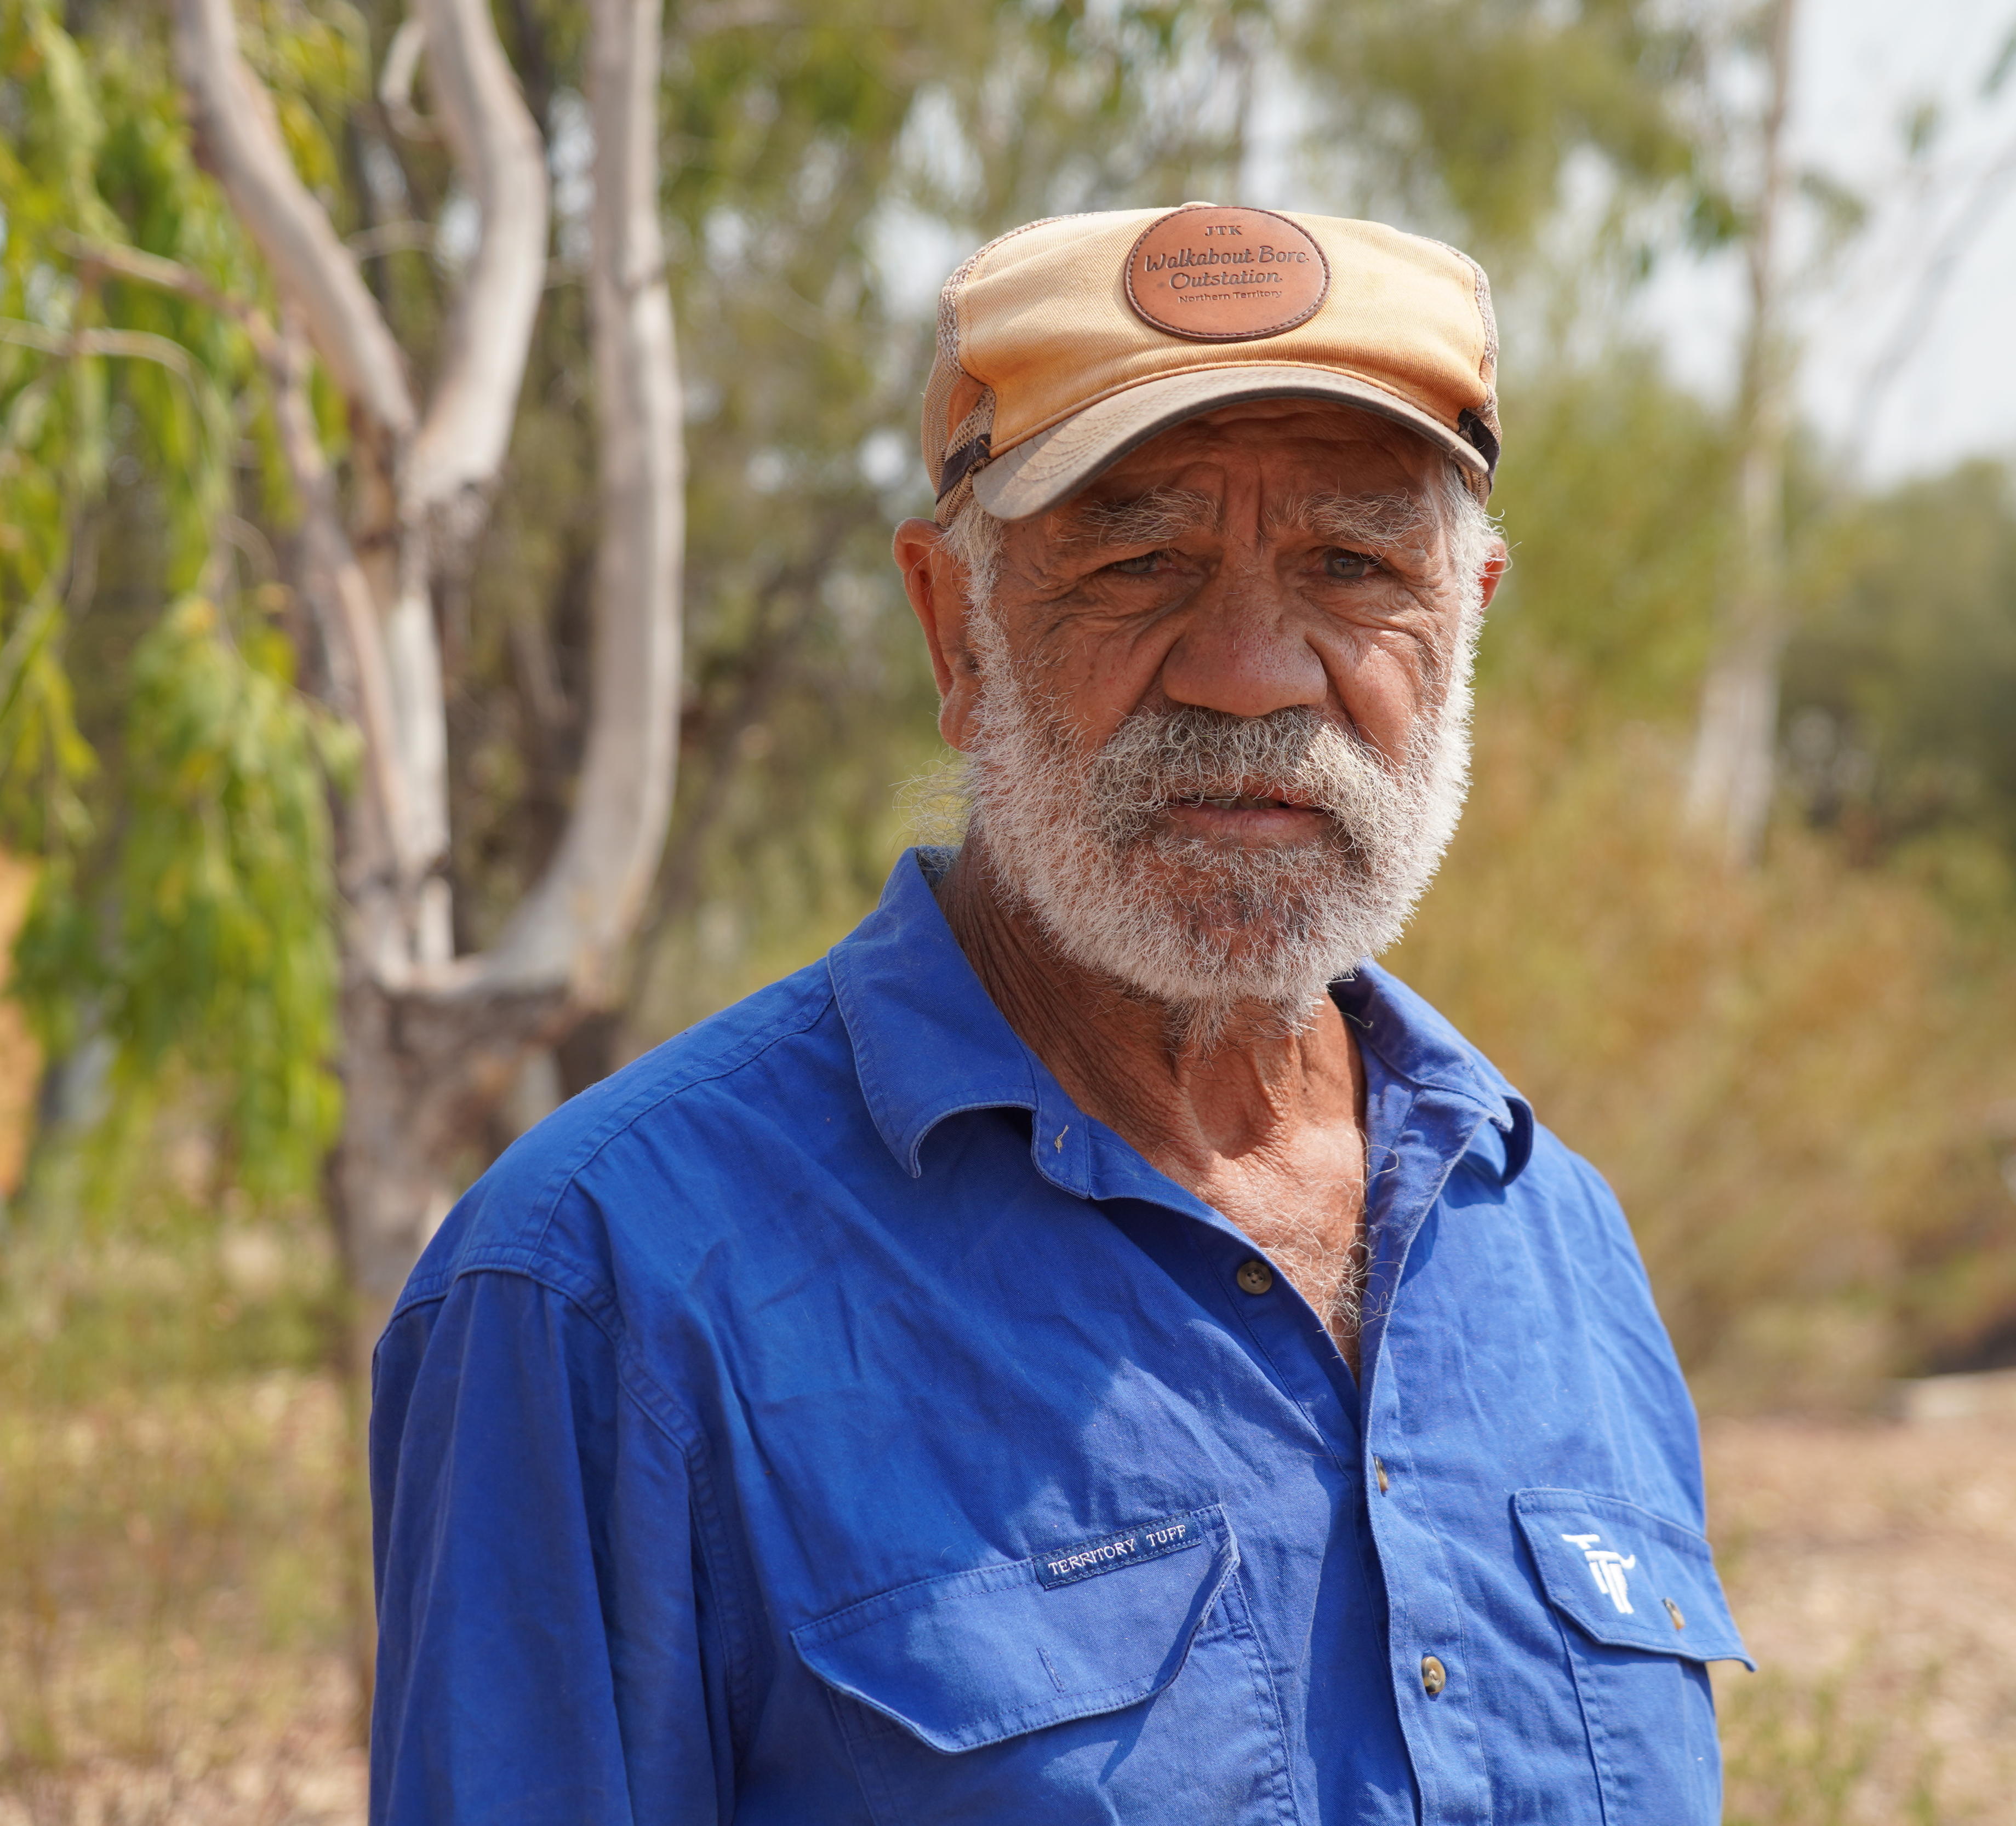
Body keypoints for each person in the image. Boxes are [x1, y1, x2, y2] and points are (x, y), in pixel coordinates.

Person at [368, 203, 1749, 1825]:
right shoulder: (601, 1286)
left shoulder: (1555, 1245)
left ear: (1465, 628)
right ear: (953, 627)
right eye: (1139, 559)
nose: (1250, 670)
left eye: (1356, 564)